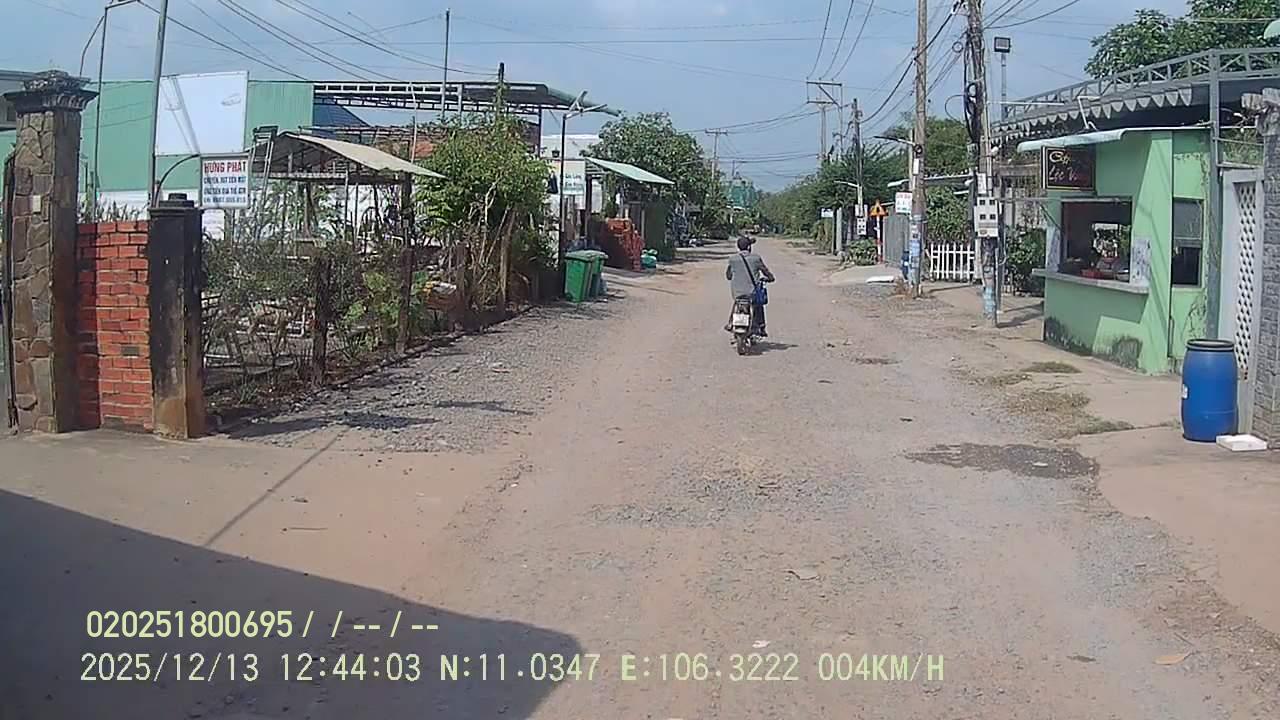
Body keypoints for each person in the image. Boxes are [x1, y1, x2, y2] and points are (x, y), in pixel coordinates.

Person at [725, 235, 774, 336]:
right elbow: (765, 271)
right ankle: (761, 327)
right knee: (758, 305)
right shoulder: (756, 258)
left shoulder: (733, 259)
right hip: (752, 293)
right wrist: (770, 278)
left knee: (737, 302)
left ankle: (730, 323)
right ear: (749, 247)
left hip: (737, 292)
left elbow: (728, 276)